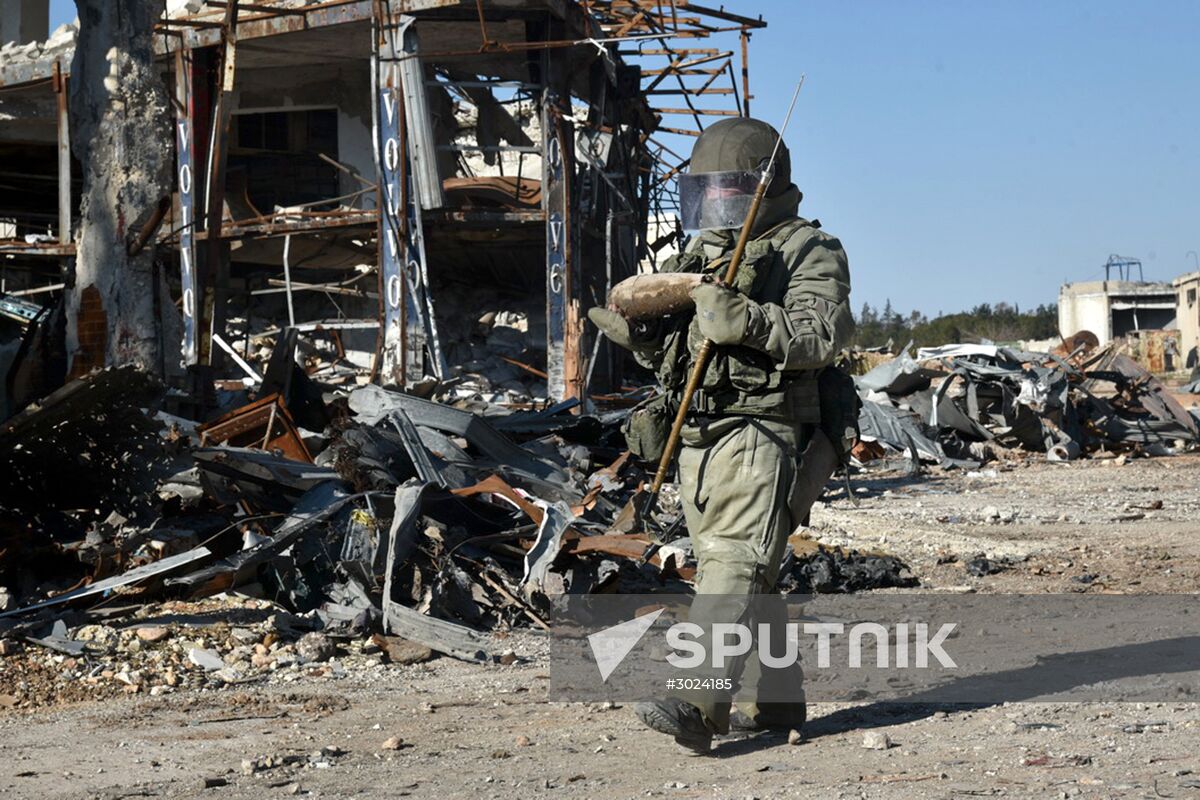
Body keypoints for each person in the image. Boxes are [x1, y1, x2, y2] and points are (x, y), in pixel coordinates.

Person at [588, 116, 855, 753]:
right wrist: (646, 338)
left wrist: (750, 320)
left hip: (766, 427)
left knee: (735, 562)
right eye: (708, 194)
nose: (718, 207)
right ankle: (776, 706)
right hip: (701, 435)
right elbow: (689, 357)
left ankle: (699, 701)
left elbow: (824, 337)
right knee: (739, 568)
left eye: (731, 193)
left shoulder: (807, 250)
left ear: (764, 189)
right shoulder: (697, 257)